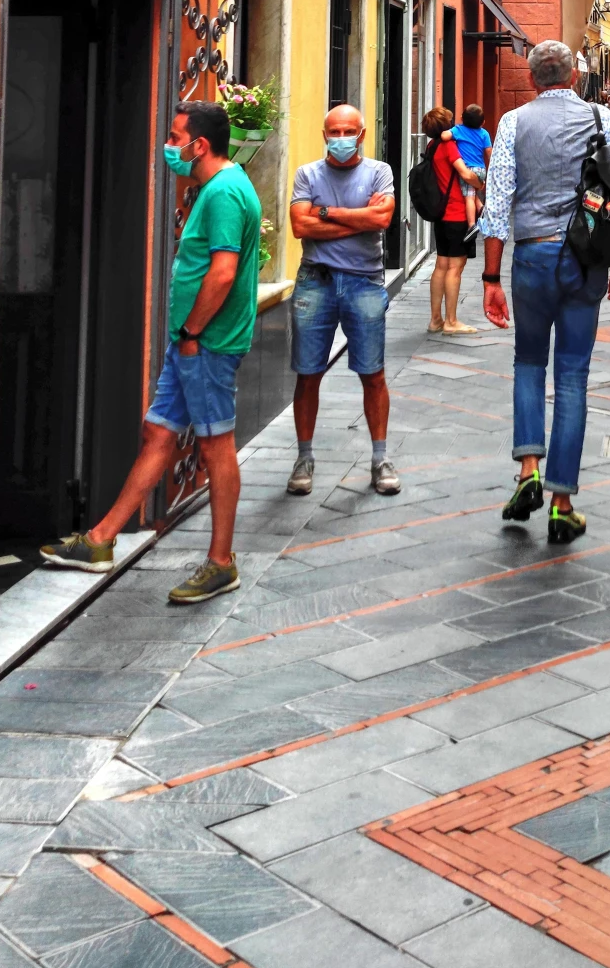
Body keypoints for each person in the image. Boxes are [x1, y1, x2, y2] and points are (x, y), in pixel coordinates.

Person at [42, 102, 262, 602]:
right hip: (192, 343)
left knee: (214, 446)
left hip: (205, 344)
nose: (170, 145)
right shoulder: (220, 186)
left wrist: (190, 331)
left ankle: (221, 563)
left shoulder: (225, 191)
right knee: (158, 432)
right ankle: (99, 541)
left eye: (174, 136)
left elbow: (223, 272)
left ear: (198, 145)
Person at [480, 39, 610, 545]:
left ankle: (528, 471)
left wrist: (490, 277)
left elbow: (498, 200)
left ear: (532, 79)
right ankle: (563, 503)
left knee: (528, 363)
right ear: (572, 77)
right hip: (585, 258)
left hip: (531, 255)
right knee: (572, 376)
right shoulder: (600, 119)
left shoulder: (512, 123)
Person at [284, 103, 401, 497]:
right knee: (308, 373)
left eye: (347, 131)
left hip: (364, 283)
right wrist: (356, 218)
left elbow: (381, 220)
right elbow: (301, 226)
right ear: (324, 135)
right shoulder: (307, 173)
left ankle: (380, 458)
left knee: (374, 373)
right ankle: (304, 458)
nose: (340, 139)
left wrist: (327, 214)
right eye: (333, 132)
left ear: (362, 134)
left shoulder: (379, 172)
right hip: (314, 282)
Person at [420, 105, 485, 334]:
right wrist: (479, 184)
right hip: (457, 213)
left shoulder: (431, 145)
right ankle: (451, 321)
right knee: (455, 268)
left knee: (441, 265)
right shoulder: (448, 146)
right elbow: (465, 173)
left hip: (441, 214)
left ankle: (435, 320)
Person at [452, 102, 492, 181]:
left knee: (468, 193)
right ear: (483, 122)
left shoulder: (458, 130)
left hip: (467, 169)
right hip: (480, 169)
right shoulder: (484, 133)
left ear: (461, 118)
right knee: (476, 191)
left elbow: (445, 136)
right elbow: (489, 151)